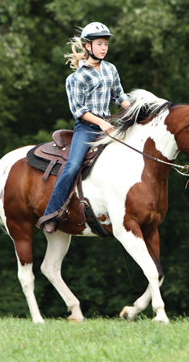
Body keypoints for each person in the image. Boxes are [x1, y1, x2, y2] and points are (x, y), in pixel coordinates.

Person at [38, 22, 131, 234]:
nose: (104, 48)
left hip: (109, 126)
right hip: (87, 129)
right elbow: (78, 110)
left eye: (106, 44)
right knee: (72, 166)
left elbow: (120, 96)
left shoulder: (111, 69)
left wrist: (135, 110)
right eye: (99, 44)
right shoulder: (75, 78)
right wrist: (101, 122)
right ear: (88, 46)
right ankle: (52, 213)